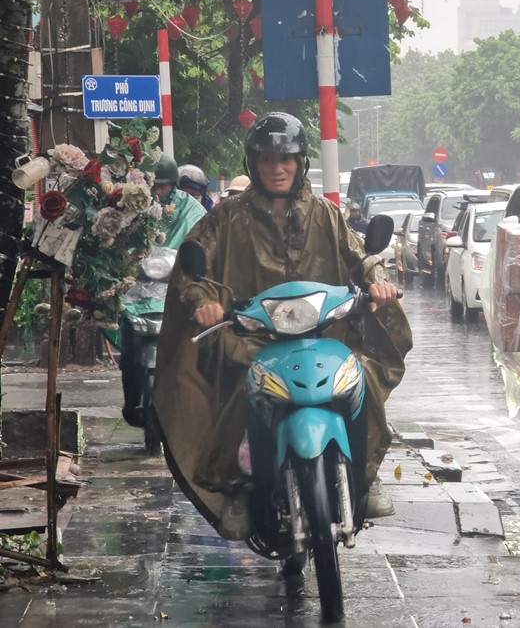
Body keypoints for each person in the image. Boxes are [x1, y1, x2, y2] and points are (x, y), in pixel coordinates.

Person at [153, 112, 412, 541]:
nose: (277, 167)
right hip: (252, 338)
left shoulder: (326, 215)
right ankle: (236, 487)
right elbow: (192, 270)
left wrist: (378, 282)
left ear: (300, 163)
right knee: (242, 390)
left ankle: (367, 473)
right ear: (254, 164)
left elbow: (361, 257)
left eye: (286, 159)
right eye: (268, 158)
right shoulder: (227, 217)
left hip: (324, 338)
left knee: (361, 378)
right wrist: (203, 303)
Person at [120, 155, 206, 426]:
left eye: (164, 187)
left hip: (176, 286)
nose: (158, 194)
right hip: (137, 289)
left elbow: (204, 235)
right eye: (153, 187)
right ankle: (131, 398)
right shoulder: (129, 204)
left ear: (174, 186)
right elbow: (116, 238)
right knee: (128, 345)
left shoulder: (189, 208)